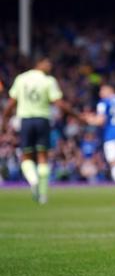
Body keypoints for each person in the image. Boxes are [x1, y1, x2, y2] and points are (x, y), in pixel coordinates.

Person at [1, 58, 81, 204]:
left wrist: (5, 121)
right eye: (47, 63)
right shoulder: (48, 81)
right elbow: (59, 103)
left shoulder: (21, 78)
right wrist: (76, 115)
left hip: (25, 120)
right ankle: (42, 193)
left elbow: (12, 102)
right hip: (42, 120)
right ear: (38, 64)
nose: (50, 66)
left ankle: (34, 182)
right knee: (42, 156)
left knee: (27, 156)